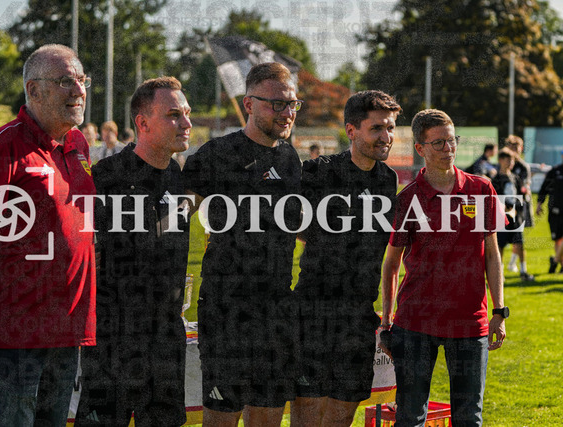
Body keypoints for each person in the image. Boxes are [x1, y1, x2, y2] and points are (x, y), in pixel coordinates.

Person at [0, 44, 96, 426]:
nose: (79, 90)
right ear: (34, 90)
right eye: (65, 81)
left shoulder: (78, 144)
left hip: (67, 331)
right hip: (13, 337)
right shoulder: (2, 146)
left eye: (82, 80)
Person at [183, 62, 303, 427]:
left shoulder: (290, 158)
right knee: (222, 416)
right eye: (277, 104)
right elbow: (174, 217)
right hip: (227, 310)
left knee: (267, 416)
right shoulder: (217, 153)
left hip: (276, 309)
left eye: (292, 104)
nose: (287, 113)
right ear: (248, 104)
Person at [75, 76, 192, 427]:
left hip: (166, 341)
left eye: (187, 113)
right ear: (143, 123)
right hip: (113, 341)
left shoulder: (179, 177)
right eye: (174, 115)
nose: (186, 123)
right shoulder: (105, 178)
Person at [380, 109, 507, 427]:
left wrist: (499, 310)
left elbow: (492, 255)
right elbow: (391, 265)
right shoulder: (407, 199)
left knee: (469, 417)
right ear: (420, 148)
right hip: (415, 322)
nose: (448, 148)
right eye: (438, 143)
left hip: (470, 322)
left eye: (452, 140)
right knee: (410, 417)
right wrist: (386, 322)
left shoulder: (481, 189)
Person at [291, 90, 402, 426]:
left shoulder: (387, 180)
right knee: (308, 416)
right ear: (351, 131)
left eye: (390, 128)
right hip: (314, 311)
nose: (386, 137)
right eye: (377, 128)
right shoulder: (318, 172)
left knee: (342, 416)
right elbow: (291, 224)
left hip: (359, 316)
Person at [491, 148, 534, 280]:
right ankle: (500, 273)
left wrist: (525, 193)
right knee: (500, 245)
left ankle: (523, 270)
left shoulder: (515, 177)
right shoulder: (496, 179)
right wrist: (505, 207)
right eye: (508, 160)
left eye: (512, 161)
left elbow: (521, 194)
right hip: (502, 217)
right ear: (500, 160)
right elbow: (495, 197)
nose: (510, 163)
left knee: (519, 243)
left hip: (515, 217)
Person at [504, 135, 533, 272]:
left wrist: (525, 189)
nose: (514, 151)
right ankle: (507, 265)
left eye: (516, 148)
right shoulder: (503, 165)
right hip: (505, 205)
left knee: (518, 237)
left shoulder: (522, 167)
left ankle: (519, 266)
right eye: (511, 148)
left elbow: (525, 186)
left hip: (519, 206)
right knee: (503, 238)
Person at [536, 149, 563, 273]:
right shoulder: (554, 171)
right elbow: (544, 188)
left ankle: (555, 260)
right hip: (555, 210)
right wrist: (539, 204)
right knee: (557, 238)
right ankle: (560, 263)